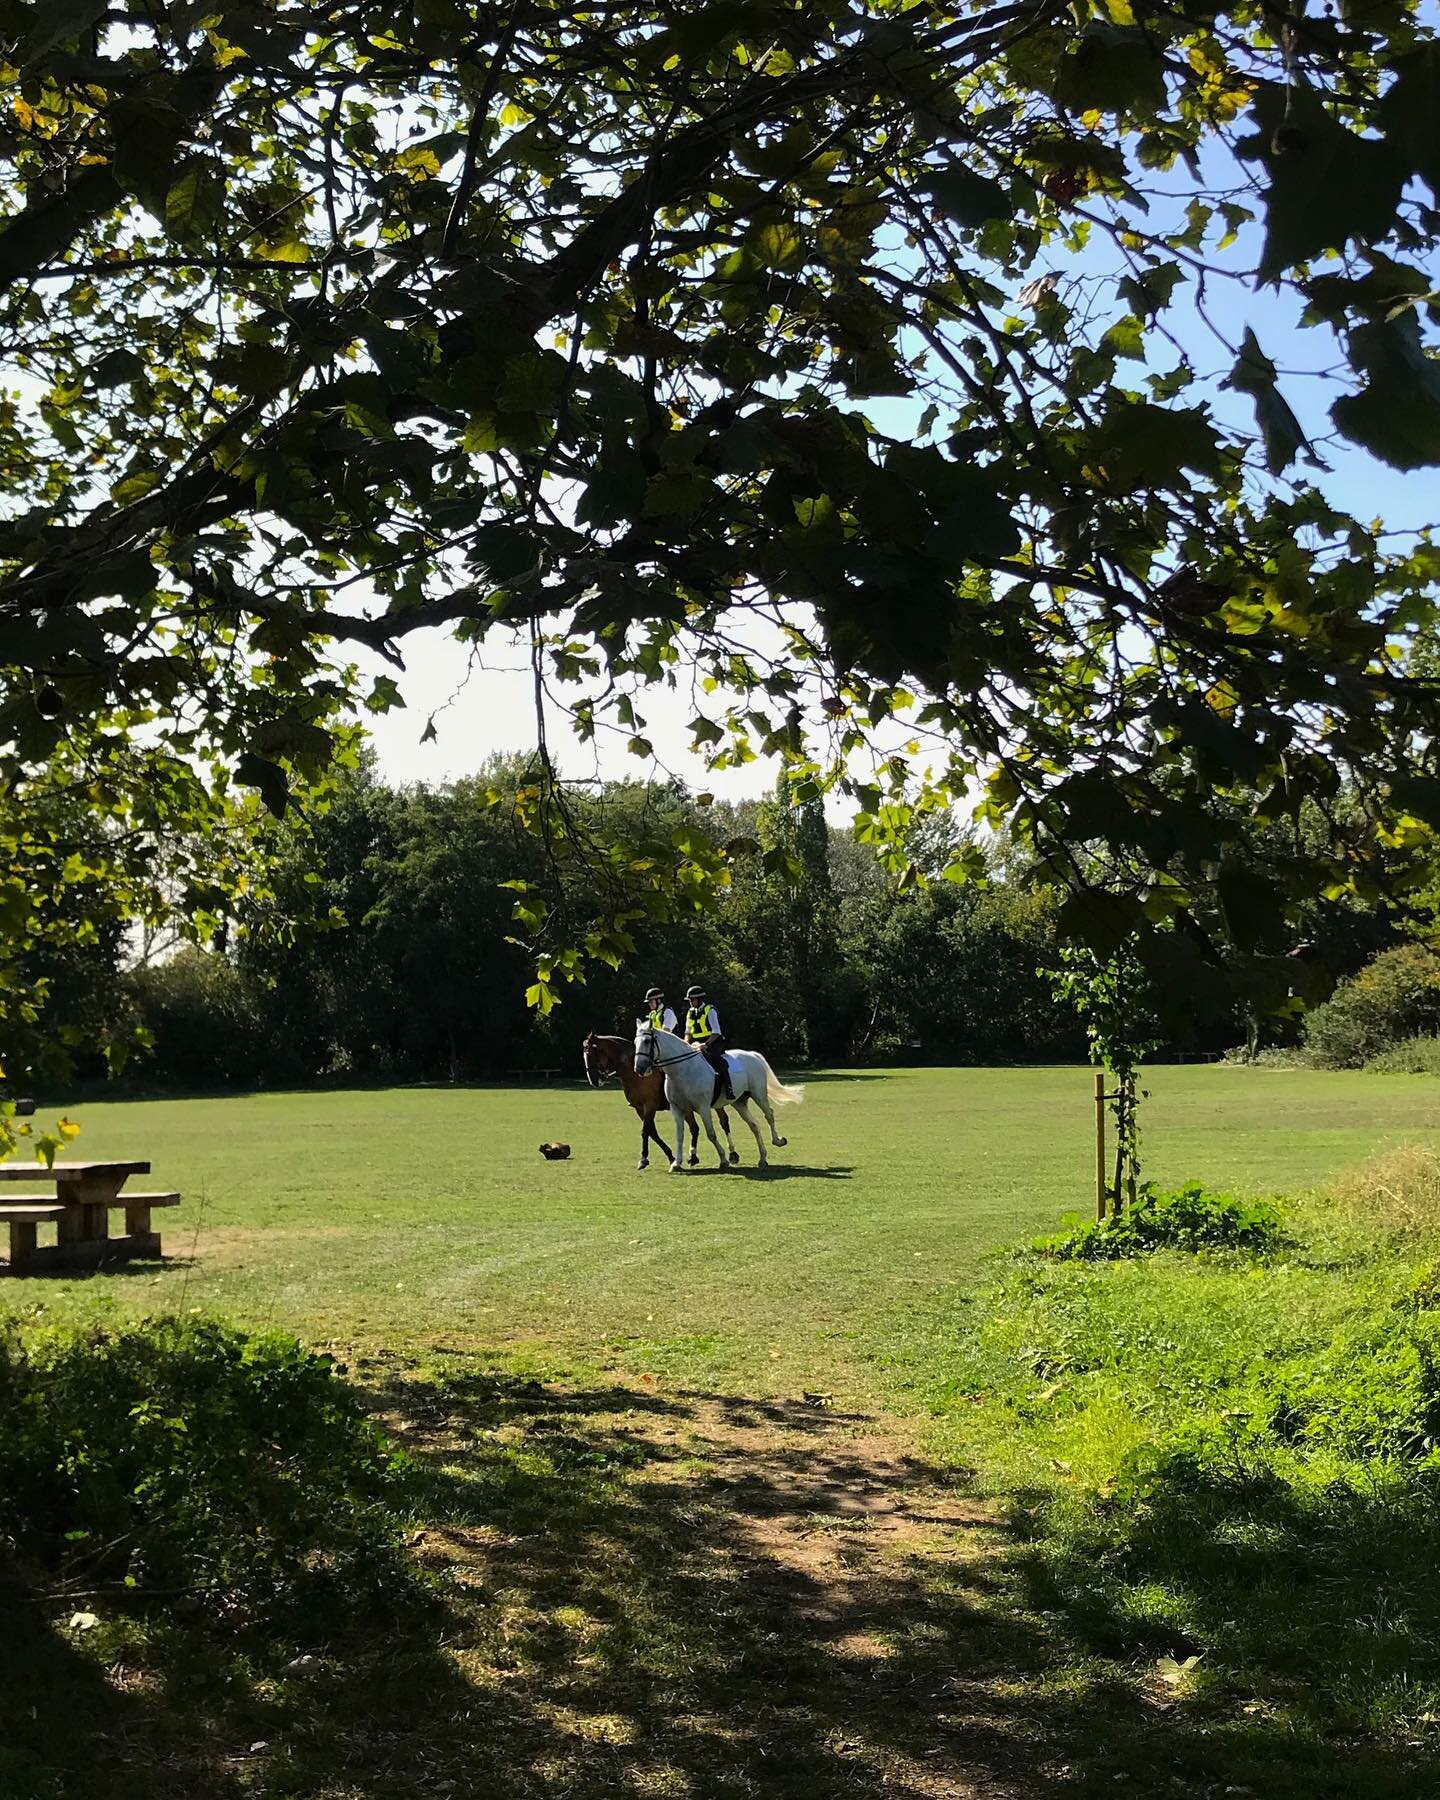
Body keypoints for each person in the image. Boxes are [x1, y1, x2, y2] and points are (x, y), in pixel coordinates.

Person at [683, 983, 733, 1101]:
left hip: (713, 1042)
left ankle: (729, 1088)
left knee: (717, 1060)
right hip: (696, 1044)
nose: (690, 1002)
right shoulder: (690, 1012)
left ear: (699, 999)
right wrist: (685, 1044)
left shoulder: (710, 1010)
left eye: (692, 999)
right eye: (689, 1000)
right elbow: (688, 1032)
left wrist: (706, 1044)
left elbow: (716, 1032)